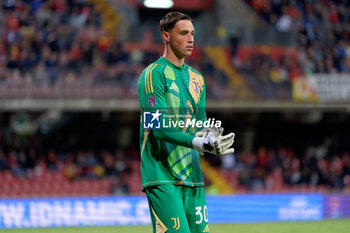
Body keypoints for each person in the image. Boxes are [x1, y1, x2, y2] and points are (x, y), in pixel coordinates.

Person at [137, 12, 235, 233]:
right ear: (166, 36)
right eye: (184, 33)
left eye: (193, 33)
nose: (191, 39)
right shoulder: (153, 75)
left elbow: (200, 126)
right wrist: (199, 143)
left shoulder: (197, 79)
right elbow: (158, 129)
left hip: (193, 176)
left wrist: (211, 140)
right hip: (162, 177)